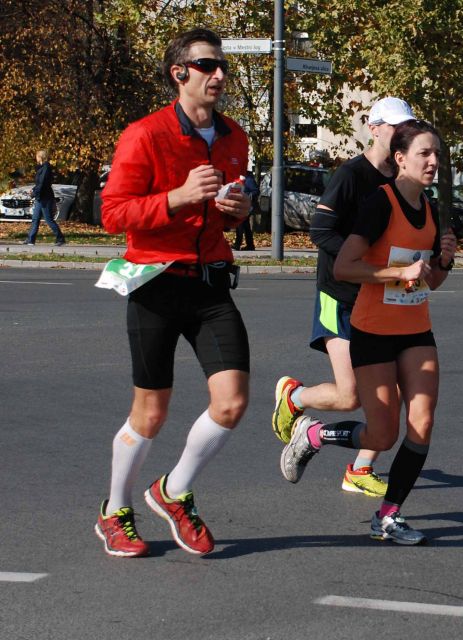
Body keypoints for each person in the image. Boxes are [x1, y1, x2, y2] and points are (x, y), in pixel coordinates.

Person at [94, 28, 252, 557]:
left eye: (221, 66)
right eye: (207, 66)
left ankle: (173, 490)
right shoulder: (145, 134)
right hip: (156, 282)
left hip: (210, 284)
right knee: (151, 413)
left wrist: (238, 213)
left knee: (231, 403)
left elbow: (225, 215)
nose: (219, 76)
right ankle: (115, 512)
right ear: (178, 73)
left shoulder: (235, 136)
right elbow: (113, 213)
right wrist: (178, 198)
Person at [279, 119, 457, 545]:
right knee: (382, 434)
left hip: (416, 329)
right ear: (400, 159)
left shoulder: (431, 209)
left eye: (437, 155)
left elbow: (430, 282)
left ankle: (389, 515)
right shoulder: (380, 203)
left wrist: (444, 262)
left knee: (423, 422)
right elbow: (345, 267)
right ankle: (315, 433)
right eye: (424, 154)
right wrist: (398, 271)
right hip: (372, 330)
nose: (434, 162)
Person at [271, 97, 416, 498]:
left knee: (394, 395)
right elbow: (320, 232)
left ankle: (360, 468)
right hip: (342, 295)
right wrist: (363, 261)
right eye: (394, 126)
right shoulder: (351, 175)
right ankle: (294, 396)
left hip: (383, 297)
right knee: (351, 394)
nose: (401, 132)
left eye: (407, 126)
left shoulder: (405, 179)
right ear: (374, 128)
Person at [23, 149, 66, 246]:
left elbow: (42, 184)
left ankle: (60, 238)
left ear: (40, 157)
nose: (36, 158)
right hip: (40, 197)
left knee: (49, 219)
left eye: (37, 156)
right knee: (35, 218)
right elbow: (39, 183)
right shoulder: (41, 168)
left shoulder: (46, 168)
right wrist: (33, 190)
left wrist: (34, 193)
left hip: (45, 197)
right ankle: (30, 239)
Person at [232, 175, 258, 250]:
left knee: (240, 224)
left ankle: (237, 244)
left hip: (246, 206)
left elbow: (255, 191)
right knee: (246, 226)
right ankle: (250, 245)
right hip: (240, 205)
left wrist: (246, 197)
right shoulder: (239, 178)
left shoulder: (248, 179)